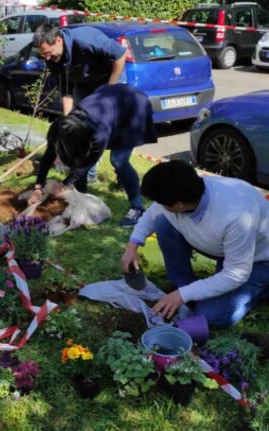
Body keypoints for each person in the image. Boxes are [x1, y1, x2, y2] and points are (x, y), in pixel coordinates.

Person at [121, 161, 269, 328]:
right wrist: (133, 245)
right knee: (163, 224)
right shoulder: (187, 189)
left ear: (178, 205)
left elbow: (236, 274)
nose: (159, 206)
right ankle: (183, 285)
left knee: (208, 316)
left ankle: (261, 289)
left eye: (163, 203)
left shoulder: (236, 217)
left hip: (258, 259)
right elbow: (154, 212)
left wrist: (183, 295)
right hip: (222, 247)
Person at [28, 84, 157, 227]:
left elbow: (87, 163)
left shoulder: (98, 134)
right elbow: (48, 157)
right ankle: (82, 200)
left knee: (119, 160)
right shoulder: (61, 129)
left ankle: (137, 207)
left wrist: (63, 184)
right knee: (78, 161)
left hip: (132, 108)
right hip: (110, 103)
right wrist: (38, 188)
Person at [33, 24, 127, 184]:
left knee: (111, 131)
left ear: (58, 40)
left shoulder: (85, 40)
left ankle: (122, 174)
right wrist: (68, 121)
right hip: (84, 85)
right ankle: (87, 177)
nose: (47, 58)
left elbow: (120, 55)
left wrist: (109, 90)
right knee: (81, 130)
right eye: (43, 56)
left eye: (48, 53)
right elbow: (66, 90)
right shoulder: (52, 59)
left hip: (111, 78)